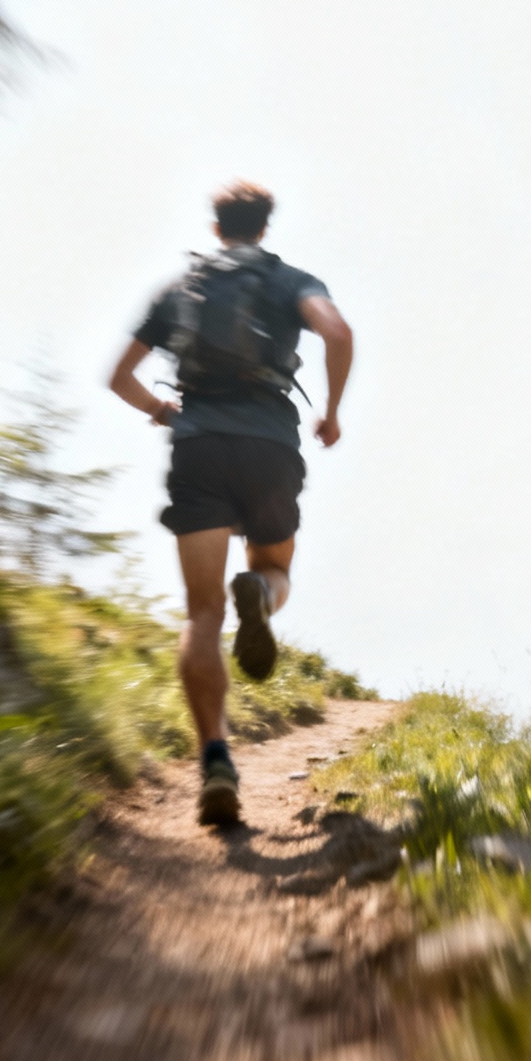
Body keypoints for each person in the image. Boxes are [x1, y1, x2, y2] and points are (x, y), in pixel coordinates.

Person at [108, 181, 355, 826]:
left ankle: (215, 757)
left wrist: (163, 409)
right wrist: (329, 413)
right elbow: (337, 331)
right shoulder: (290, 280)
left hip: (199, 447)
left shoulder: (178, 290)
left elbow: (118, 377)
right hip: (270, 446)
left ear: (216, 228)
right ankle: (263, 596)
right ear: (264, 228)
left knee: (201, 611)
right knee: (275, 569)